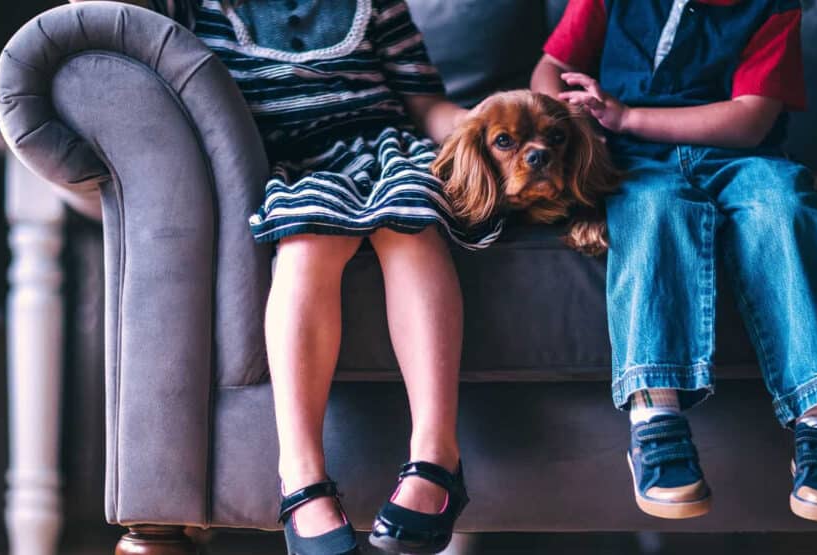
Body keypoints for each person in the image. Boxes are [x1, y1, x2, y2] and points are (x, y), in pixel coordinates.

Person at [69, 0, 497, 552]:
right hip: (294, 161)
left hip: (388, 147)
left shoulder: (375, 6)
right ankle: (302, 476)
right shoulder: (198, 9)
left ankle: (436, 455)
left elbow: (426, 102)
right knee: (307, 241)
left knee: (410, 223)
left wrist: (487, 132)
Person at [531, 0, 817, 523]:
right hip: (635, 161)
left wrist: (629, 116)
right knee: (652, 213)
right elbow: (550, 65)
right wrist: (567, 118)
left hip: (742, 158)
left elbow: (750, 121)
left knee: (790, 212)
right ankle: (655, 419)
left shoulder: (773, 9)